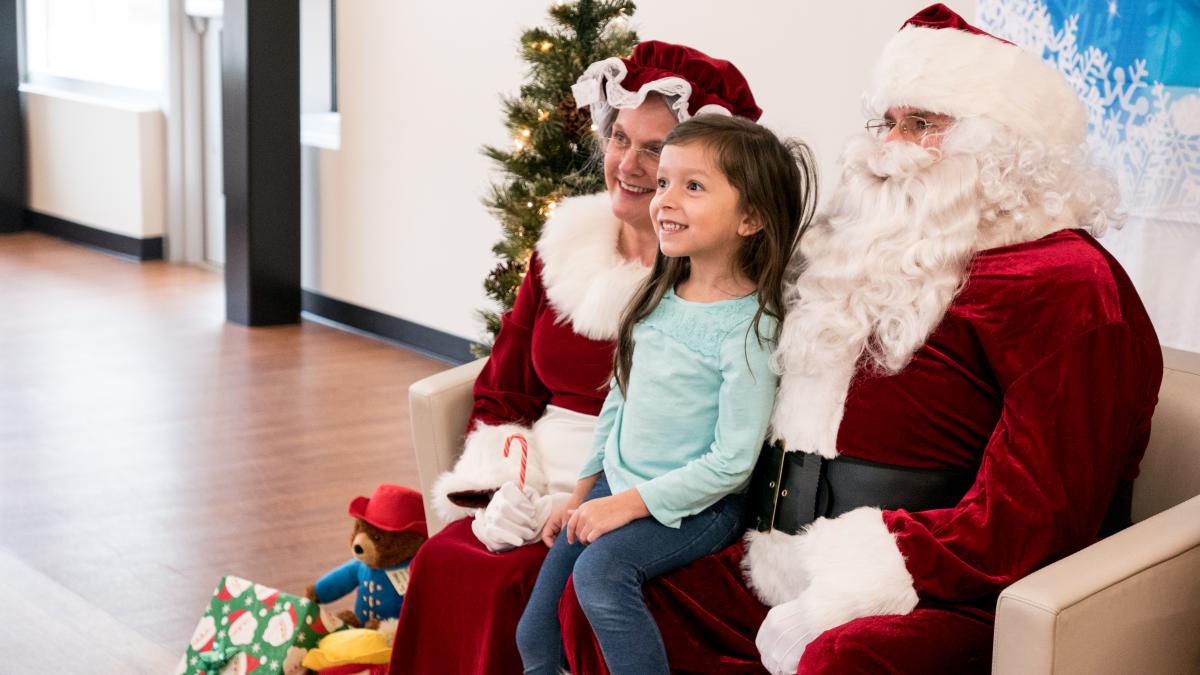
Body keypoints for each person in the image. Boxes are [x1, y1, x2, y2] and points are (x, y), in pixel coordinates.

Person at [558, 5, 1163, 674]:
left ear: (1003, 148)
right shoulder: (846, 248)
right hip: (769, 547)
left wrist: (849, 587)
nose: (891, 144)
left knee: (842, 658)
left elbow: (1040, 512)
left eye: (924, 124)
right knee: (605, 587)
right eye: (887, 121)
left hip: (932, 580)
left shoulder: (1066, 282)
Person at [387, 41, 764, 675]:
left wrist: (602, 500)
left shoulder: (713, 282)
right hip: (546, 474)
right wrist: (505, 490)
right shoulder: (563, 246)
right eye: (621, 138)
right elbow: (504, 389)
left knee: (527, 585)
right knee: (447, 559)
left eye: (657, 150)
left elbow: (730, 441)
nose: (630, 164)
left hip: (651, 486)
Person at [516, 115, 817, 674]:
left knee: (600, 574)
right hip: (615, 482)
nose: (665, 200)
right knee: (533, 634)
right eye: (664, 183)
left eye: (693, 186)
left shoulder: (748, 330)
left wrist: (625, 506)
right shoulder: (656, 298)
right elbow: (618, 404)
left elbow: (730, 465)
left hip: (698, 506)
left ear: (750, 217)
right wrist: (582, 495)